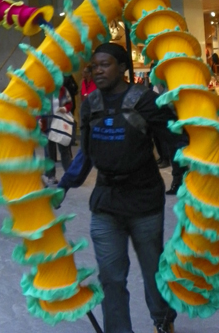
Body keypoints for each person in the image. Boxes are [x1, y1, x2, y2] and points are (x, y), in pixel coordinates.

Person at [59, 43, 177, 333]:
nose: (97, 70)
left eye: (105, 64)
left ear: (123, 68)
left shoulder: (146, 100)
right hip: (105, 203)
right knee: (111, 278)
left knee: (153, 272)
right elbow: (85, 153)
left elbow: (174, 143)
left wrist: (209, 172)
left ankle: (162, 321)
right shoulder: (90, 104)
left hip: (144, 202)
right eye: (94, 66)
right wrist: (63, 186)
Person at [42, 86, 74, 186]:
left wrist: (65, 108)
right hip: (47, 123)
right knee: (49, 152)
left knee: (64, 151)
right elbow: (38, 107)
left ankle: (69, 176)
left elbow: (70, 103)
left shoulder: (63, 90)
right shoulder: (44, 91)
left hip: (60, 124)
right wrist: (38, 119)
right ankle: (51, 176)